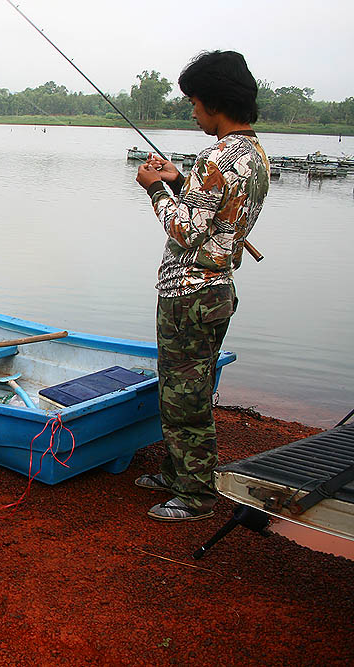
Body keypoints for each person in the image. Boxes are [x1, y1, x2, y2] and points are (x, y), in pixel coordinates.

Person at [134, 51, 270, 522]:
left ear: (213, 102)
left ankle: (195, 494)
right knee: (185, 386)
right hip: (217, 291)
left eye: (194, 102)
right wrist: (178, 177)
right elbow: (214, 210)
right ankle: (177, 472)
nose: (192, 111)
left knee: (183, 394)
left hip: (189, 295)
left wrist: (154, 187)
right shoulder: (253, 154)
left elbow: (186, 230)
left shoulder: (216, 157)